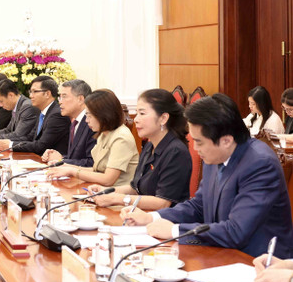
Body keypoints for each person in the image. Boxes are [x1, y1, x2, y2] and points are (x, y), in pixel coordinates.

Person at [122, 94, 293, 258]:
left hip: (258, 265)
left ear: (226, 140)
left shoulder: (259, 164)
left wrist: (175, 231)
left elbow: (236, 231)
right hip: (220, 255)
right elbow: (199, 206)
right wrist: (151, 217)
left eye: (199, 142)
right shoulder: (216, 155)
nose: (195, 149)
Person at [89, 88, 192, 209]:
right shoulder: (150, 146)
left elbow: (163, 203)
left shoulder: (175, 151)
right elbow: (135, 188)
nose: (136, 119)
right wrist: (107, 191)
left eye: (142, 113)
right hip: (139, 214)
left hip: (164, 221)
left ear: (163, 118)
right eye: (136, 113)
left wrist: (118, 199)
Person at [46, 89, 139, 188]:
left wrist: (73, 171)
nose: (86, 120)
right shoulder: (104, 134)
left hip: (116, 195)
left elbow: (108, 179)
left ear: (103, 115)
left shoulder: (121, 137)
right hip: (98, 190)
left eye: (89, 116)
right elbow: (96, 170)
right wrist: (65, 166)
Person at [8, 76, 70, 155]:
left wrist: (11, 145)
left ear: (47, 94)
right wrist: (9, 142)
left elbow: (41, 146)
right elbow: (30, 137)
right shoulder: (43, 112)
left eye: (34, 91)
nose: (31, 96)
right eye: (30, 92)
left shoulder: (57, 115)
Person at [41, 79, 96, 166]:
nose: (60, 101)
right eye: (60, 97)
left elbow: (92, 162)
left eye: (64, 96)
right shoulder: (75, 122)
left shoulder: (92, 123)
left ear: (80, 99)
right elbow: (76, 158)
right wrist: (61, 158)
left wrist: (62, 161)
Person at [0, 79, 39, 151]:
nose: (1, 105)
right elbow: (8, 130)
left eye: (1, 101)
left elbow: (18, 135)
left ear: (11, 95)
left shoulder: (27, 107)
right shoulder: (16, 106)